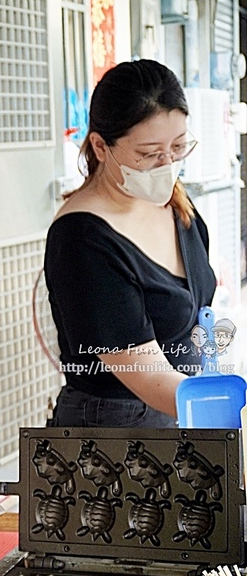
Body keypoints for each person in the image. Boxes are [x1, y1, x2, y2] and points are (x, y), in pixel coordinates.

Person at [44, 59, 216, 427]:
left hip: (181, 409)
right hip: (117, 433)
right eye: (149, 153)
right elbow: (149, 377)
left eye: (179, 147)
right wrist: (219, 406)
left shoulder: (174, 202)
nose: (167, 164)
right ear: (101, 147)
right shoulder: (82, 238)